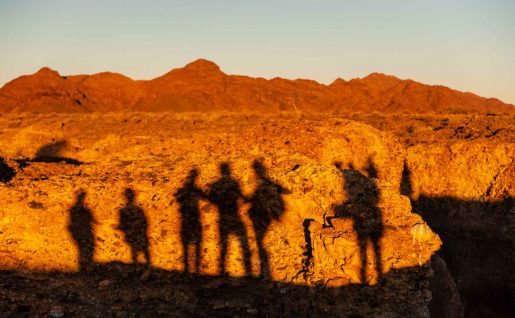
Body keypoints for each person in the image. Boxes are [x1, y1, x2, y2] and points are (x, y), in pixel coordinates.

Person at [208, 163, 251, 276]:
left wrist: (219, 202)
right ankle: (248, 271)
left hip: (224, 218)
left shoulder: (217, 185)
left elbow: (210, 198)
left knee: (224, 245)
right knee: (243, 244)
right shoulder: (233, 183)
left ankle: (222, 271)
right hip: (234, 217)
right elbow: (241, 196)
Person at [174, 169, 206, 273]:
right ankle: (187, 270)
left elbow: (206, 197)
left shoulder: (195, 190)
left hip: (194, 220)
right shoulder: (185, 190)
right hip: (187, 220)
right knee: (186, 246)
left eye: (194, 177)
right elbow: (177, 198)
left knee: (196, 245)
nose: (192, 179)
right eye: (192, 177)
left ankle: (196, 270)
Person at [118, 188, 151, 266]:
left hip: (137, 234)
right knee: (139, 252)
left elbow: (145, 223)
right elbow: (145, 223)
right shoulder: (125, 211)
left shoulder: (129, 210)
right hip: (135, 234)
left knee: (141, 252)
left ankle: (144, 267)